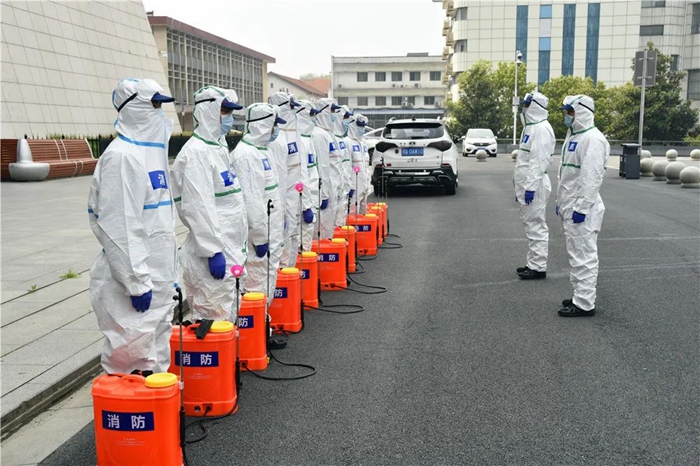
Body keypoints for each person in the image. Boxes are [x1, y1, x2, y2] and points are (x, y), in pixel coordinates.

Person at [88, 78, 177, 375]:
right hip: (133, 284)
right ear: (133, 108)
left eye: (161, 106)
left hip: (157, 276)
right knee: (132, 360)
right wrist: (135, 282)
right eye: (153, 105)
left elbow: (159, 224)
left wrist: (170, 273)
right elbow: (120, 227)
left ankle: (160, 405)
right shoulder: (122, 157)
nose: (159, 113)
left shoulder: (150, 156)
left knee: (156, 354)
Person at [171, 86, 246, 323]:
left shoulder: (218, 148)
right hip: (212, 253)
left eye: (230, 112)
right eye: (224, 111)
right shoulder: (196, 153)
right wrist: (212, 250)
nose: (229, 117)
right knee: (213, 317)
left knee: (228, 312)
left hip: (230, 246)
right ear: (207, 111)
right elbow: (197, 206)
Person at [556, 94, 610, 317]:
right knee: (576, 253)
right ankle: (580, 295)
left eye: (571, 111)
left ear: (582, 112)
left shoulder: (593, 140)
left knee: (584, 255)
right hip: (572, 204)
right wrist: (561, 202)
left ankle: (585, 303)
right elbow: (567, 175)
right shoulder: (575, 136)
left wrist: (582, 208)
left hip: (582, 209)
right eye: (567, 112)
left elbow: (591, 178)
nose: (567, 116)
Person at [230, 103, 286, 304]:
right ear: (263, 124)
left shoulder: (263, 151)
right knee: (256, 286)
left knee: (267, 280)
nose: (275, 130)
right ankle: (258, 321)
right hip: (258, 240)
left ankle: (264, 319)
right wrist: (260, 238)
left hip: (271, 232)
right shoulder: (246, 155)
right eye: (273, 125)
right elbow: (251, 201)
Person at [268, 92, 314, 267]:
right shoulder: (277, 141)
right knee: (282, 250)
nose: (295, 113)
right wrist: (281, 213)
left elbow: (301, 173)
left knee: (292, 242)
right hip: (284, 205)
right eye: (291, 108)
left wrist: (305, 204)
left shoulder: (295, 136)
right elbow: (279, 180)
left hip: (295, 202)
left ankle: (292, 276)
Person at [513, 92, 556, 280]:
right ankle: (533, 263)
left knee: (536, 225)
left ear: (536, 106)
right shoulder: (530, 128)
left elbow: (538, 162)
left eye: (527, 105)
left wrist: (530, 187)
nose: (524, 108)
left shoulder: (542, 129)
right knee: (530, 225)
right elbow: (523, 161)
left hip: (535, 185)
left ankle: (538, 267)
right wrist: (520, 188)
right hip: (528, 184)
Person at [311, 98, 340, 238]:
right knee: (322, 229)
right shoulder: (318, 134)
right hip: (326, 189)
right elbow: (322, 165)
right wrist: (324, 194)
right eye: (332, 110)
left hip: (333, 187)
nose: (334, 114)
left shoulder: (328, 133)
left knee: (329, 227)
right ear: (323, 112)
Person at [297, 99, 322, 250]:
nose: (314, 118)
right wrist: (306, 206)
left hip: (313, 198)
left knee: (308, 240)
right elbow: (301, 177)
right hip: (305, 202)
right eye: (311, 115)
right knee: (302, 244)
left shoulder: (309, 139)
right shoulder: (299, 142)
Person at [335, 105, 355, 224]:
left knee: (341, 219)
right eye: (345, 118)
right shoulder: (332, 139)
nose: (347, 122)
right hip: (335, 188)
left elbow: (347, 166)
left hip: (343, 187)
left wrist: (349, 185)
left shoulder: (341, 140)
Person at [347, 113, 370, 214]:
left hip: (364, 185)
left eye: (363, 126)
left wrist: (367, 181)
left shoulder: (363, 143)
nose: (362, 129)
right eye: (360, 126)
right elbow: (346, 167)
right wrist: (349, 186)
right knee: (353, 213)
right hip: (354, 185)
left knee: (363, 214)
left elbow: (366, 165)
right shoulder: (347, 142)